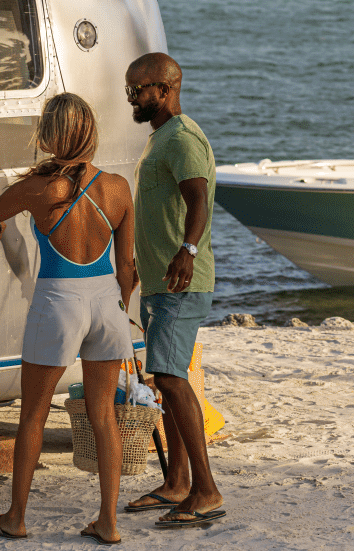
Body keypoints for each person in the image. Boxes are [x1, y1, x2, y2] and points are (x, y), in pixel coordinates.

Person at [0, 93, 137, 545]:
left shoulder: (38, 189)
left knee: (34, 416)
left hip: (59, 301)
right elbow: (126, 270)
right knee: (104, 416)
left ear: (48, 136)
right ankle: (108, 522)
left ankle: (16, 518)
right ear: (90, 133)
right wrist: (120, 310)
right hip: (107, 303)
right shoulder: (117, 188)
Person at [121, 52, 225, 529]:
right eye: (130, 89)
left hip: (181, 282)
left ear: (164, 90)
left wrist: (188, 249)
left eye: (137, 89)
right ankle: (178, 482)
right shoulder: (161, 137)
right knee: (169, 376)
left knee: (168, 377)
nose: (131, 97)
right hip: (161, 282)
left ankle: (206, 490)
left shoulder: (182, 138)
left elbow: (197, 198)